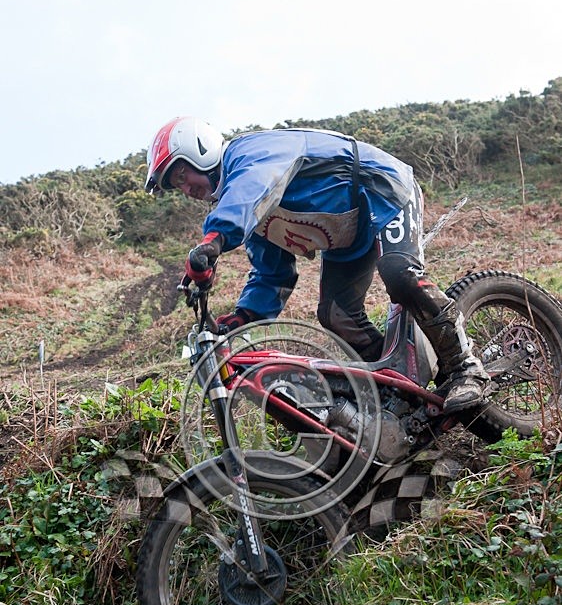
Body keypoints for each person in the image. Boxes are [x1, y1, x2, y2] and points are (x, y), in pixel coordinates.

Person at [145, 116, 490, 413]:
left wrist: (214, 241)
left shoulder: (252, 154)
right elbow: (272, 274)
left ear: (199, 150)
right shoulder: (251, 211)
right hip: (348, 237)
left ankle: (465, 368)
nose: (185, 188)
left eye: (180, 176)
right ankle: (397, 387)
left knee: (399, 274)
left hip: (381, 191)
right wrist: (241, 317)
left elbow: (252, 188)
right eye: (176, 186)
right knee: (335, 317)